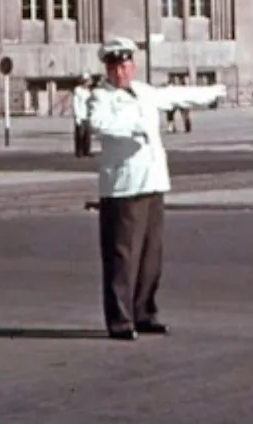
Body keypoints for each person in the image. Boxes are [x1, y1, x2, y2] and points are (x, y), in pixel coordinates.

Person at [85, 36, 224, 341]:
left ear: (132, 66)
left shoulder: (143, 91)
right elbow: (99, 124)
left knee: (150, 255)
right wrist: (135, 125)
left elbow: (174, 96)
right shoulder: (100, 97)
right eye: (115, 67)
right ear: (107, 69)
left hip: (151, 182)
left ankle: (144, 312)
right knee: (123, 256)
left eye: (125, 65)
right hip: (123, 186)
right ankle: (120, 320)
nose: (121, 72)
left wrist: (212, 92)